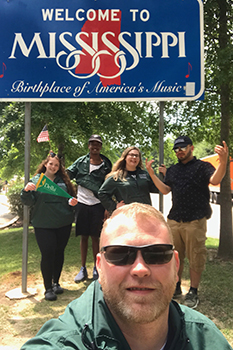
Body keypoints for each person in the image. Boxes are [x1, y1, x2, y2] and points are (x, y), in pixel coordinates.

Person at [20, 203, 232, 350]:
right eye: (119, 254)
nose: (140, 268)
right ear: (99, 268)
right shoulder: (65, 340)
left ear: (176, 266)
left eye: (157, 253)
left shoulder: (207, 339)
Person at [146, 136, 228, 309]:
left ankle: (193, 291)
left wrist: (223, 162)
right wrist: (153, 175)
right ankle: (175, 287)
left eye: (182, 147)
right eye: (176, 149)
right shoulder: (173, 170)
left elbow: (215, 180)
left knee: (196, 256)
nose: (179, 151)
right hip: (174, 220)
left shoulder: (202, 166)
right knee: (174, 257)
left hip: (195, 221)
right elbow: (166, 190)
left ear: (191, 147)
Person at [21, 151, 78, 301]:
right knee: (47, 254)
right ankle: (48, 289)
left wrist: (72, 203)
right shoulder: (36, 181)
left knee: (59, 253)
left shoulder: (64, 182)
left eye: (56, 165)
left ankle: (56, 283)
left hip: (63, 223)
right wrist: (26, 191)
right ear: (45, 164)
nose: (53, 167)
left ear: (59, 167)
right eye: (51, 164)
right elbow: (28, 202)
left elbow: (70, 200)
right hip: (43, 224)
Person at [67, 135, 112, 283]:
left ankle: (96, 267)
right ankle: (82, 268)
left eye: (97, 144)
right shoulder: (80, 162)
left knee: (96, 237)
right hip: (82, 203)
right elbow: (67, 175)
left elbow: (111, 186)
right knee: (83, 236)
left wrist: (107, 206)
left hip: (98, 204)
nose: (95, 147)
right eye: (92, 144)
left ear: (101, 146)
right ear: (88, 146)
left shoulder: (106, 165)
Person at [98, 146, 158, 212]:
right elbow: (102, 193)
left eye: (137, 156)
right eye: (131, 155)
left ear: (139, 159)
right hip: (127, 215)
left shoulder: (145, 174)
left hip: (146, 213)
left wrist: (164, 175)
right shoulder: (116, 176)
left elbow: (157, 189)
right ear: (125, 157)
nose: (134, 157)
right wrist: (114, 206)